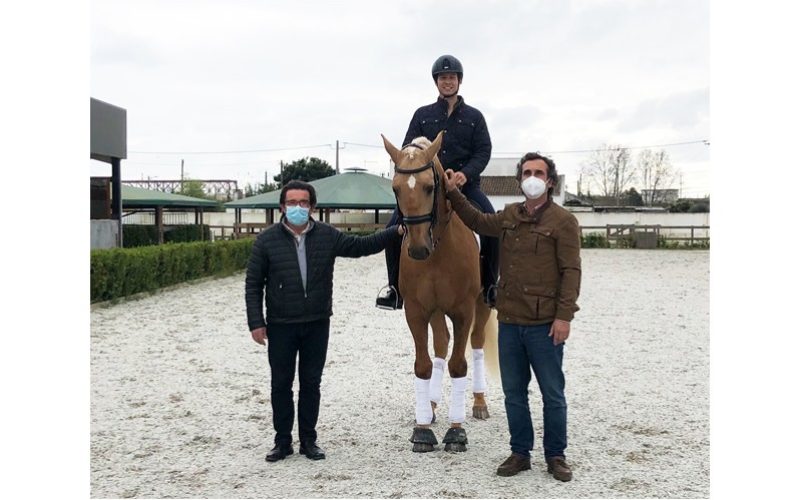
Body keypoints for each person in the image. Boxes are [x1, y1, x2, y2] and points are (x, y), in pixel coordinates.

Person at [442, 153, 581, 481]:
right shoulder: (509, 215)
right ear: (520, 180)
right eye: (527, 172)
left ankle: (556, 455)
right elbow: (476, 221)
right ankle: (520, 452)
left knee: (552, 393)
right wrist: (452, 192)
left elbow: (571, 272)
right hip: (510, 320)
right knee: (514, 394)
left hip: (545, 324)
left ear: (550, 181)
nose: (532, 178)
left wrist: (564, 317)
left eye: (539, 173)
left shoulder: (564, 221)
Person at [245, 180, 402, 463]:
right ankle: (282, 441)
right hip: (281, 324)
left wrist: (395, 231)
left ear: (312, 207)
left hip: (316, 322)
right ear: (282, 207)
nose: (297, 207)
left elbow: (361, 246)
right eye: (292, 203)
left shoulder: (327, 235)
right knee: (280, 384)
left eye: (303, 203)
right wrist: (256, 322)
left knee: (311, 383)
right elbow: (253, 284)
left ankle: (308, 440)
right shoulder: (266, 240)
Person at [376, 54, 498, 310]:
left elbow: (483, 151)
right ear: (436, 82)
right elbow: (408, 148)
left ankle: (490, 286)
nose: (447, 82)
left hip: (465, 188)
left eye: (452, 77)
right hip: (427, 189)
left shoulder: (474, 117)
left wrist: (465, 174)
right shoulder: (422, 115)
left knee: (490, 223)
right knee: (391, 228)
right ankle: (394, 289)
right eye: (443, 78)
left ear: (459, 81)